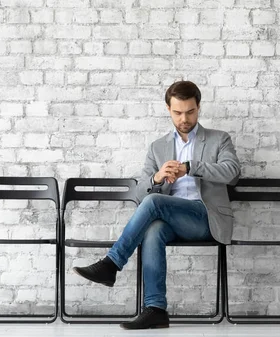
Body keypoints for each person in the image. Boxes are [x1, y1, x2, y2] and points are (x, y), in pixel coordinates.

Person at [73, 81, 241, 329]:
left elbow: (232, 172)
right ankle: (156, 309)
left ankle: (111, 263)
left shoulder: (219, 139)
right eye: (178, 112)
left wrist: (191, 168)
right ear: (168, 109)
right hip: (173, 219)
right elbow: (142, 192)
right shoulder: (158, 147)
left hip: (206, 217)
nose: (184, 118)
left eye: (190, 111)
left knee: (154, 203)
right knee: (152, 230)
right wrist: (157, 178)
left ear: (198, 107)